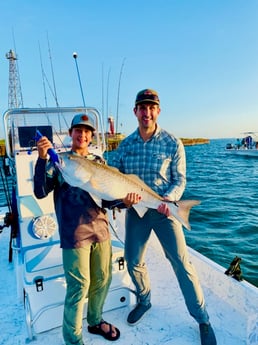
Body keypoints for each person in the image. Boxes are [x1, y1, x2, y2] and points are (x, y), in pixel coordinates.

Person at [109, 89, 217, 345]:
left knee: (182, 264)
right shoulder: (125, 145)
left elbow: (180, 179)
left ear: (158, 111)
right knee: (133, 259)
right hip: (137, 212)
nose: (147, 112)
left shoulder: (172, 142)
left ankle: (203, 319)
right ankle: (144, 300)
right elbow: (116, 177)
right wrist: (123, 200)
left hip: (165, 211)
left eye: (151, 107)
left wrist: (169, 199)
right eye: (142, 108)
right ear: (135, 111)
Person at [33, 113, 140, 345]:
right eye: (78, 130)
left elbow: (109, 200)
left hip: (100, 230)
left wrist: (126, 202)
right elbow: (40, 191)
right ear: (71, 133)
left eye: (87, 131)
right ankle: (73, 339)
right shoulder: (59, 162)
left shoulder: (99, 162)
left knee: (102, 279)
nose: (82, 134)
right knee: (78, 287)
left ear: (91, 136)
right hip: (74, 234)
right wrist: (42, 159)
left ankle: (95, 320)